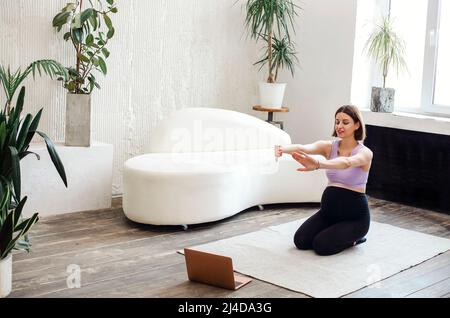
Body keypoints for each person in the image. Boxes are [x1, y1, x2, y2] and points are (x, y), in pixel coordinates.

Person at [274, 105, 373, 256]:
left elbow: (346, 162)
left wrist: (318, 164)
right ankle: (335, 230)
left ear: (357, 125)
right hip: (328, 213)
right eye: (337, 121)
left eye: (345, 122)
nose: (339, 126)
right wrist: (282, 149)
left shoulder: (365, 153)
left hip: (354, 218)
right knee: (300, 241)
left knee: (321, 246)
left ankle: (355, 239)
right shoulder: (329, 147)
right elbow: (304, 148)